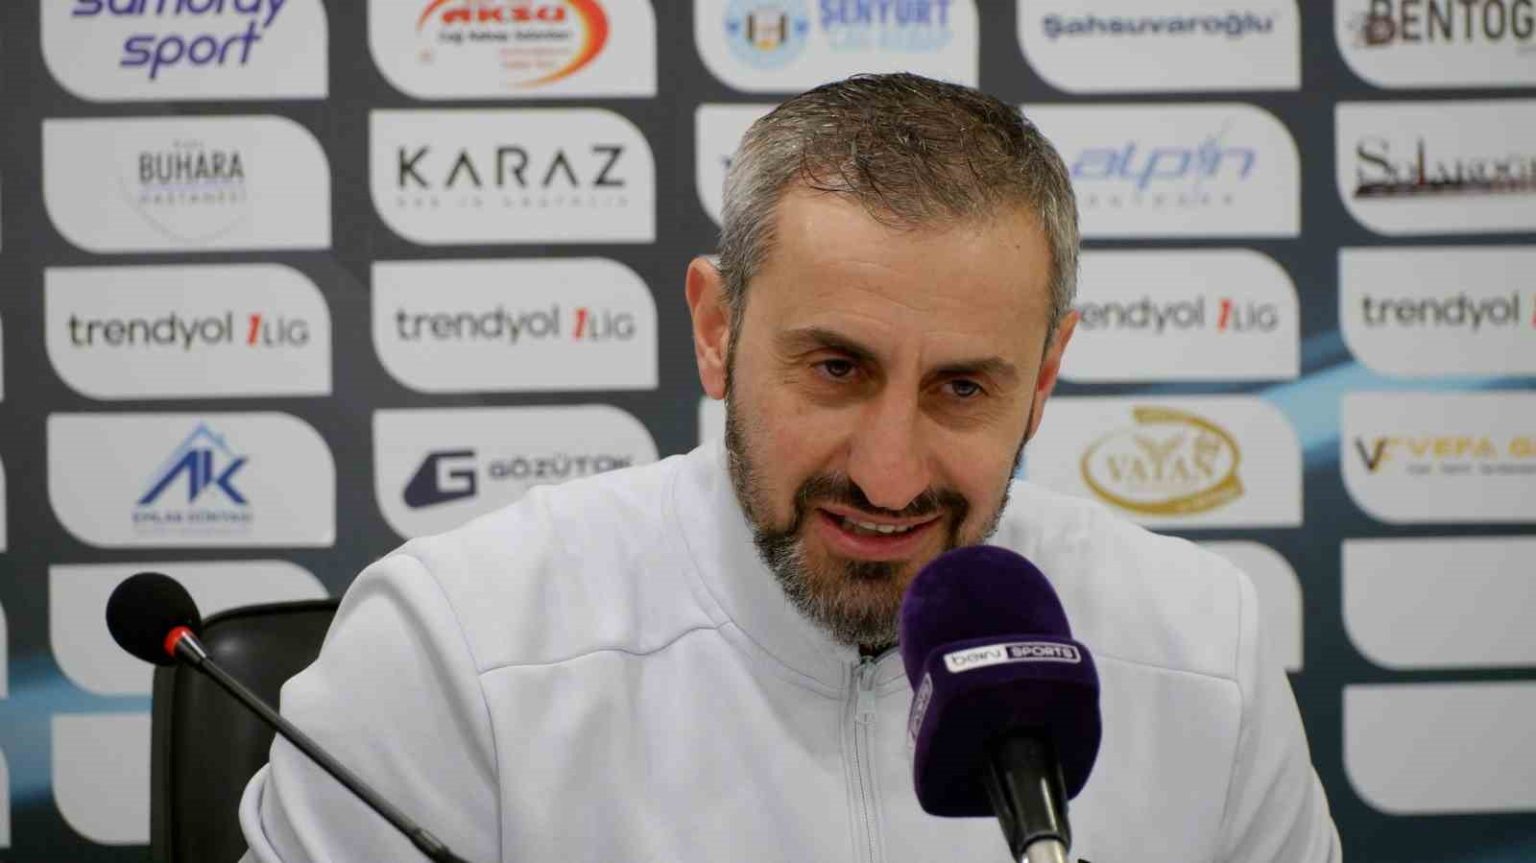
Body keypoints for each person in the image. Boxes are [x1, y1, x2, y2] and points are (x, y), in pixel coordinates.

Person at [239, 73, 1340, 862]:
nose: (891, 476)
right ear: (717, 328)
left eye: (963, 387)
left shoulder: (1205, 650)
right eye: (836, 368)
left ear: (1045, 375)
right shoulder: (455, 648)